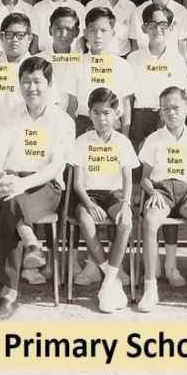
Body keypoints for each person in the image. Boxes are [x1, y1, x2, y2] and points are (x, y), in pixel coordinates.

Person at [0, 56, 75, 321]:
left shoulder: (63, 121)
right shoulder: (9, 115)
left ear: (49, 84)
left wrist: (19, 184)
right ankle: (32, 244)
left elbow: (54, 167)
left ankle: (8, 294)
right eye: (26, 82)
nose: (31, 88)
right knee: (12, 202)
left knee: (12, 204)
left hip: (45, 187)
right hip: (11, 181)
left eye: (37, 81)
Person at [136, 86, 187, 315]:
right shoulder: (153, 139)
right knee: (151, 221)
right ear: (160, 113)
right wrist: (152, 193)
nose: (171, 113)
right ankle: (150, 289)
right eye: (166, 109)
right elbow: (144, 179)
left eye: (176, 108)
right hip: (161, 190)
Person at [69, 88, 138, 313]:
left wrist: (127, 205)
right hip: (90, 195)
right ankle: (111, 277)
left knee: (125, 222)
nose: (102, 118)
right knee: (84, 219)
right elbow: (77, 183)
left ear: (117, 114)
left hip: (115, 194)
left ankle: (108, 281)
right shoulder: (82, 141)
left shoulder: (123, 142)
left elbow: (128, 179)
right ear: (89, 114)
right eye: (96, 113)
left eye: (107, 113)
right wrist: (88, 204)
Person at [67, 7, 135, 139]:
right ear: (85, 33)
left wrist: (125, 136)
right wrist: (70, 136)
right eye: (93, 30)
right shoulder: (76, 64)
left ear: (113, 33)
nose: (98, 36)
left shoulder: (122, 65)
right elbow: (72, 105)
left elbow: (126, 105)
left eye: (104, 31)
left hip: (113, 127)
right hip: (84, 125)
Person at [127, 3, 187, 147]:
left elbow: (182, 96)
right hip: (141, 118)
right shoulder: (133, 59)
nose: (158, 29)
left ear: (171, 27)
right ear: (144, 28)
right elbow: (128, 99)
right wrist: (127, 129)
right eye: (152, 25)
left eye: (163, 24)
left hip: (169, 118)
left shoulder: (177, 60)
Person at [36, 6, 83, 112]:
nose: (63, 34)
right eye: (58, 29)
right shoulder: (37, 61)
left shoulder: (82, 61)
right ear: (50, 30)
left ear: (77, 32)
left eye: (69, 29)